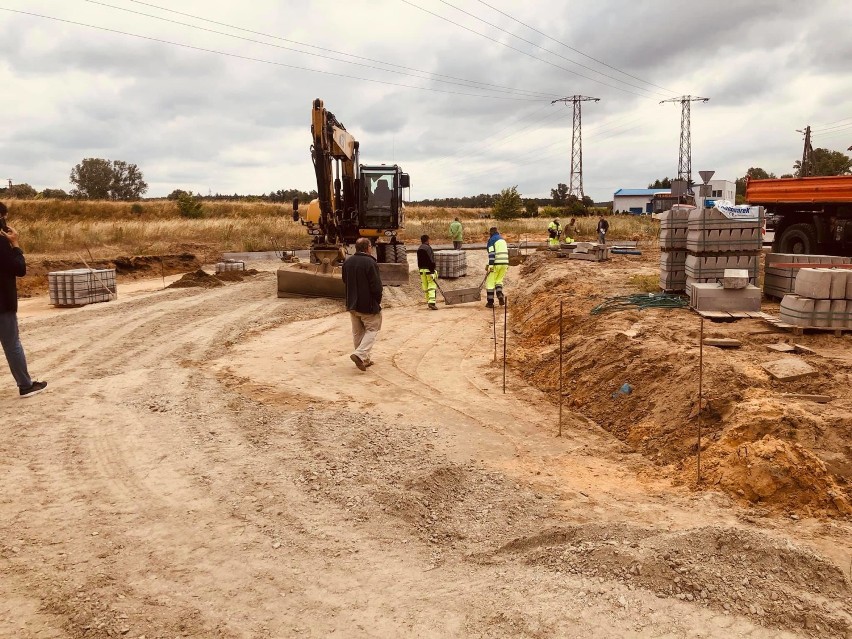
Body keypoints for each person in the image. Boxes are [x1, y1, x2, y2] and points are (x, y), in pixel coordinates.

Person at [0, 203, 47, 397]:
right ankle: (25, 385)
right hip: (2, 302)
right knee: (12, 344)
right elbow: (19, 269)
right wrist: (16, 245)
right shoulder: (1, 242)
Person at [341, 238, 383, 371]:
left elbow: (344, 280)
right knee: (372, 329)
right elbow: (376, 286)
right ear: (368, 247)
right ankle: (360, 354)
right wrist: (377, 300)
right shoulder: (370, 262)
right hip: (368, 304)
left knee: (358, 333)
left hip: (352, 303)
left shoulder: (348, 262)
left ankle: (364, 359)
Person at [485, 226, 509, 308]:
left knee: (490, 282)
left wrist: (490, 266)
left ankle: (490, 302)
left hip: (496, 264)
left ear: (490, 233)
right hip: (505, 263)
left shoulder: (492, 240)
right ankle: (499, 294)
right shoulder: (502, 240)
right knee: (499, 280)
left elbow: (492, 254)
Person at [416, 234, 438, 311]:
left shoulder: (419, 248)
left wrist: (420, 269)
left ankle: (428, 301)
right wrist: (432, 271)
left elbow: (418, 261)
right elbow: (430, 260)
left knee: (425, 286)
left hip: (422, 270)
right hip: (428, 270)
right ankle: (432, 303)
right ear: (427, 240)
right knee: (431, 285)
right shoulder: (428, 248)